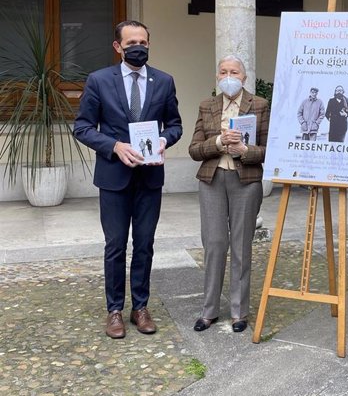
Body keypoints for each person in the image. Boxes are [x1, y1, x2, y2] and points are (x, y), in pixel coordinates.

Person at [73, 20, 183, 339]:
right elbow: (82, 127)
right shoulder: (98, 81)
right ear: (118, 46)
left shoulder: (164, 81)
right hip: (114, 177)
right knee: (116, 245)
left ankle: (140, 307)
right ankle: (114, 311)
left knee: (145, 244)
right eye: (132, 41)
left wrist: (164, 139)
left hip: (150, 178)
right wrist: (114, 146)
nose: (139, 47)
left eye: (144, 42)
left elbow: (175, 124)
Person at [188, 55, 269, 333]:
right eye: (223, 71)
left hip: (245, 180)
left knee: (241, 244)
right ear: (217, 77)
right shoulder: (207, 105)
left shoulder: (259, 105)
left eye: (234, 71)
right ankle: (209, 310)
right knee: (214, 244)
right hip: (212, 179)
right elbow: (194, 149)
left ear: (244, 77)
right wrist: (219, 141)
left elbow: (270, 150)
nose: (228, 76)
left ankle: (239, 311)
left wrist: (245, 151)